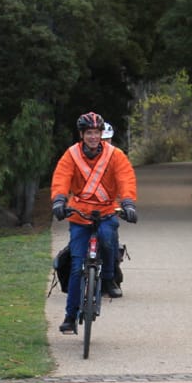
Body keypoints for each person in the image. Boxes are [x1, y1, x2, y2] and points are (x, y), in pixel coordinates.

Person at [50, 111, 138, 333]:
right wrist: (59, 201)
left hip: (107, 210)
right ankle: (70, 316)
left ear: (101, 134)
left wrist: (128, 204)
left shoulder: (115, 155)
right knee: (77, 265)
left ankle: (108, 278)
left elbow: (125, 179)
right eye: (89, 133)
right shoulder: (71, 155)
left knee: (108, 240)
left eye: (96, 133)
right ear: (82, 134)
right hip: (79, 214)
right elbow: (61, 178)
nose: (93, 137)